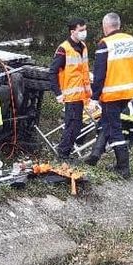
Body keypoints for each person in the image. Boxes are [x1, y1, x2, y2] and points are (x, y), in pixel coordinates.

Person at [84, 13, 133, 179]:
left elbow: (100, 73)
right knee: (108, 122)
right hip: (129, 91)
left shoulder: (106, 44)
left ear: (105, 26)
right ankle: (94, 156)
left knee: (114, 128)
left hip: (112, 93)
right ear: (118, 25)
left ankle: (123, 167)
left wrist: (94, 97)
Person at [49, 18, 92, 161]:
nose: (84, 32)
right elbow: (53, 71)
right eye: (81, 30)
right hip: (70, 94)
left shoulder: (83, 46)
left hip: (81, 95)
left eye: (85, 29)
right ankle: (63, 153)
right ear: (73, 31)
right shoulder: (64, 48)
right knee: (72, 125)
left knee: (77, 125)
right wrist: (58, 93)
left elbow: (83, 70)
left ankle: (65, 151)